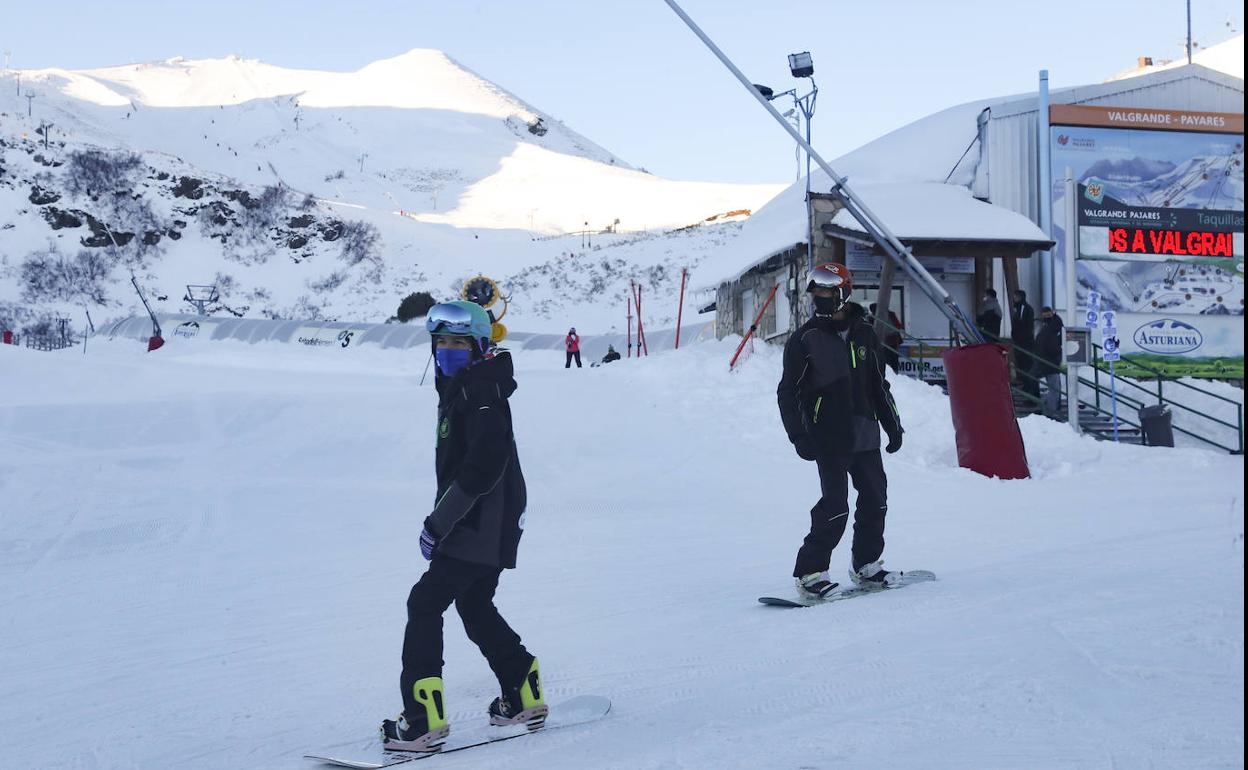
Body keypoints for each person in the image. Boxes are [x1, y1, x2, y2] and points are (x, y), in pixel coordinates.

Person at [382, 300, 544, 754]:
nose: (448, 350)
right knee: (473, 603)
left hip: (480, 522)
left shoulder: (482, 392)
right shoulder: (465, 386)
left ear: (478, 347)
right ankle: (522, 689)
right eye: (441, 342)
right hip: (490, 520)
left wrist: (439, 522)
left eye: (458, 342)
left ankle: (421, 720)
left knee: (425, 601)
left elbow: (482, 470)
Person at [777, 263, 905, 601]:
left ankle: (867, 565)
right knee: (835, 505)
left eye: (827, 291)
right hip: (828, 436)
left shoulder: (865, 335)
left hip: (864, 432)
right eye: (815, 292)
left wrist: (892, 425)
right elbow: (787, 392)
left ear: (843, 292)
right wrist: (799, 435)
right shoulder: (805, 339)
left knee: (876, 501)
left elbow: (879, 385)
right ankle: (810, 573)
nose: (820, 298)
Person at [1034, 307, 1065, 417]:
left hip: (1047, 361)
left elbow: (1046, 346)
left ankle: (1048, 408)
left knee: (1054, 388)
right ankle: (1050, 411)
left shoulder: (1046, 330)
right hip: (1050, 362)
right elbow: (1055, 347)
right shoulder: (1052, 330)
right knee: (1055, 388)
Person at [1010, 290, 1038, 400]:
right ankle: (1026, 387)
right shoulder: (1017, 308)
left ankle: (1028, 389)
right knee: (1021, 365)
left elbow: (1025, 326)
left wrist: (1021, 338)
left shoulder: (1025, 309)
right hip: (1020, 342)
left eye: (1016, 297)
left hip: (1024, 343)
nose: (1014, 298)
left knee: (1026, 365)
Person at [868, 302, 904, 373]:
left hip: (883, 342)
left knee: (884, 359)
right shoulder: (890, 314)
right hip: (892, 341)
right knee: (892, 359)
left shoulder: (872, 318)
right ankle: (894, 372)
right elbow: (898, 325)